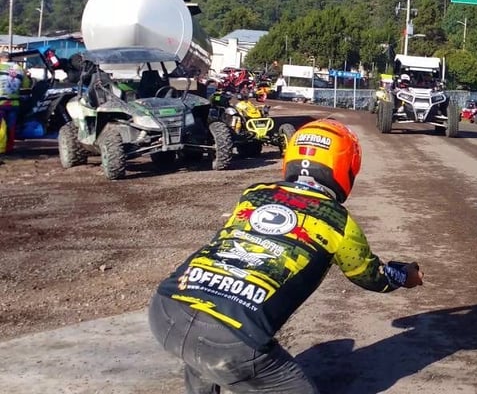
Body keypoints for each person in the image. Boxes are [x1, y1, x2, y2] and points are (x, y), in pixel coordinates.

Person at [148, 118, 423, 394]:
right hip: (233, 339)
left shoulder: (254, 194)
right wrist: (403, 276)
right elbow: (371, 276)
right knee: (221, 348)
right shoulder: (338, 221)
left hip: (166, 310)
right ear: (346, 168)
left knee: (204, 347)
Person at [0, 56, 27, 154]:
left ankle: (1, 148)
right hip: (14, 103)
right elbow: (26, 85)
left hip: (1, 102)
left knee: (1, 126)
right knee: (11, 126)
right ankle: (9, 147)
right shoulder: (19, 68)